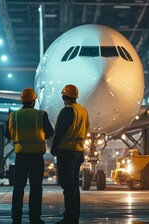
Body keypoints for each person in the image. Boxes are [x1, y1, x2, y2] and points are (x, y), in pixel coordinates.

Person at [5, 87, 54, 224]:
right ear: (34, 100)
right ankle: (35, 218)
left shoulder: (14, 115)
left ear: (22, 100)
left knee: (18, 188)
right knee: (36, 189)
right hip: (36, 157)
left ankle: (16, 218)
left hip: (21, 157)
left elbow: (7, 134)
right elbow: (50, 132)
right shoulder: (41, 115)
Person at [51, 84, 90, 224]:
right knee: (74, 186)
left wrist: (54, 149)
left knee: (67, 186)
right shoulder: (83, 110)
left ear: (63, 96)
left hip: (66, 152)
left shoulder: (67, 111)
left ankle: (69, 217)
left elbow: (59, 132)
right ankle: (75, 215)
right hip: (78, 151)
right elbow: (86, 128)